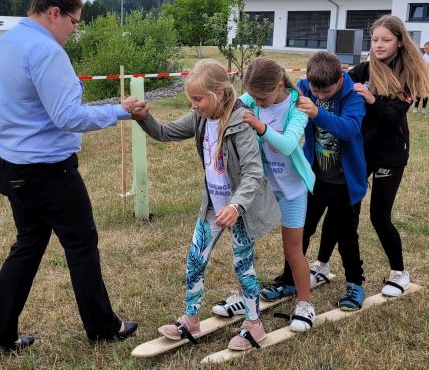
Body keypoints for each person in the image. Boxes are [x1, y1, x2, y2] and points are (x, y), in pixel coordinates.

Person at [0, 0, 145, 350]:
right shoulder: (47, 51)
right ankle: (103, 327)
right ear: (55, 13)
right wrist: (121, 111)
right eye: (74, 22)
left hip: (9, 164)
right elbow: (67, 116)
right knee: (81, 243)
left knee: (28, 244)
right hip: (47, 171)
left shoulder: (4, 42)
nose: (74, 30)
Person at [137, 59, 281, 351]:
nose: (193, 105)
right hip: (213, 207)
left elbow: (253, 172)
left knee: (243, 266)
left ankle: (254, 325)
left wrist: (236, 206)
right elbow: (164, 132)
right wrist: (144, 117)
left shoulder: (241, 122)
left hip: (239, 212)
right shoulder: (200, 118)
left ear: (220, 94)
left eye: (198, 99)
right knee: (195, 259)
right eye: (191, 99)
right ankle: (190, 320)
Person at [212, 57, 316, 332]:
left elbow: (288, 144)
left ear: (280, 86)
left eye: (262, 98)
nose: (256, 102)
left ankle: (305, 304)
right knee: (244, 244)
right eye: (253, 97)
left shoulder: (297, 106)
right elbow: (229, 104)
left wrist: (260, 127)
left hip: (291, 190)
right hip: (260, 188)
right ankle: (242, 296)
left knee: (292, 249)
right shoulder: (251, 98)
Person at [262, 51, 369, 312]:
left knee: (346, 235)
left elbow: (349, 129)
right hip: (312, 179)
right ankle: (289, 280)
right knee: (301, 230)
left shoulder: (353, 96)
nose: (319, 96)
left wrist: (317, 113)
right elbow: (280, 92)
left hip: (345, 183)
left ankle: (355, 284)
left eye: (326, 92)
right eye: (315, 91)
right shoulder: (303, 89)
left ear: (339, 80)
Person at [349, 15, 429, 297]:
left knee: (379, 216)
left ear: (399, 42)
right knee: (346, 209)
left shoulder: (408, 76)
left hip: (390, 154)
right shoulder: (363, 70)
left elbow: (392, 118)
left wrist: (372, 100)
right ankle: (323, 265)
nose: (379, 45)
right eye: (375, 39)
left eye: (386, 40)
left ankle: (399, 272)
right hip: (362, 150)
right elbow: (336, 86)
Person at [413, 41, 429, 114]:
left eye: (427, 48)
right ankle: (415, 107)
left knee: (426, 92)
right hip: (421, 76)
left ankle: (424, 108)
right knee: (419, 92)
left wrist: (426, 66)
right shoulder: (424, 55)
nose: (425, 50)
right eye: (424, 48)